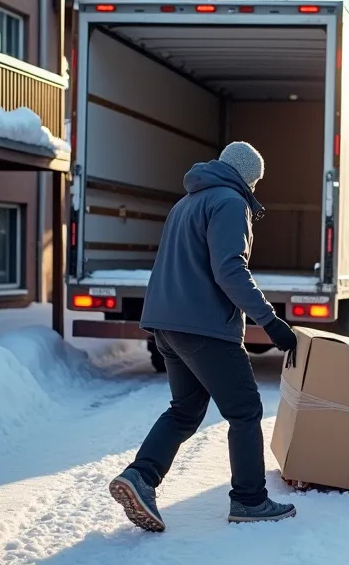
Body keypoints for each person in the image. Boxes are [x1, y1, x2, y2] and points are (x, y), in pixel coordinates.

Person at [108, 141, 299, 531]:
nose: (255, 189)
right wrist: (270, 320)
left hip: (168, 325)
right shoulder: (230, 202)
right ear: (247, 176)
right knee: (245, 410)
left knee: (185, 410)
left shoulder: (187, 202)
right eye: (256, 182)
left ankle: (141, 476)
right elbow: (230, 269)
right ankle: (249, 500)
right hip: (204, 328)